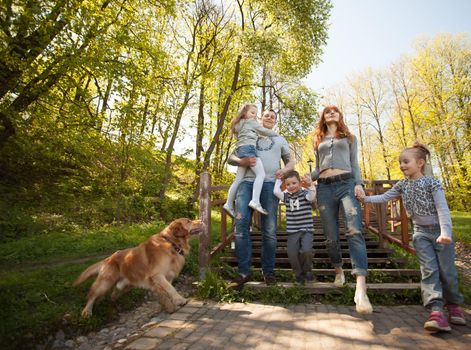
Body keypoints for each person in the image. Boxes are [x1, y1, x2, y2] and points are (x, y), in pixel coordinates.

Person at [360, 142, 466, 332]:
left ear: (420, 163)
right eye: (400, 162)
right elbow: (384, 197)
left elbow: (442, 209)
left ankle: (454, 306)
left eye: (406, 161)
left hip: (440, 232)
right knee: (429, 271)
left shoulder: (432, 183)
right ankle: (436, 311)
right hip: (420, 233)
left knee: (447, 272)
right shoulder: (402, 185)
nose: (402, 165)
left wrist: (445, 233)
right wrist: (365, 199)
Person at [312, 105, 372, 314]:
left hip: (346, 184)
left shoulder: (350, 138)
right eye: (327, 111)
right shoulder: (318, 140)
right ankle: (339, 270)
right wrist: (305, 177)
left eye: (335, 111)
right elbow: (318, 168)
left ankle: (361, 288)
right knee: (330, 236)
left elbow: (354, 163)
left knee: (354, 230)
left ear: (340, 116)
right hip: (324, 188)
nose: (331, 113)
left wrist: (359, 183)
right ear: (323, 117)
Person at [227, 109, 295, 288]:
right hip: (246, 184)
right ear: (260, 118)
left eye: (273, 116)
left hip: (270, 185)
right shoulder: (249, 134)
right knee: (241, 226)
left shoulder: (280, 140)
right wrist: (241, 162)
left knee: (270, 230)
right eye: (266, 115)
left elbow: (290, 162)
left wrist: (286, 170)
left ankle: (268, 271)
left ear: (275, 121)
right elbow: (230, 158)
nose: (269, 118)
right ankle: (243, 272)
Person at [223, 104, 279, 217]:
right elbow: (264, 131)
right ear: (244, 113)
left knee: (238, 179)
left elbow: (250, 135)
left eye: (255, 113)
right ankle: (255, 201)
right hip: (249, 149)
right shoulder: (250, 122)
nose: (254, 116)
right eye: (252, 113)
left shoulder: (239, 124)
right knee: (261, 174)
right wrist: (275, 134)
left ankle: (228, 203)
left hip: (240, 150)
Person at [274, 170, 316, 284]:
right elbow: (276, 191)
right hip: (293, 231)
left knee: (306, 251)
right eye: (288, 184)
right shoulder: (286, 196)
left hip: (306, 229)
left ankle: (307, 270)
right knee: (292, 254)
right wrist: (278, 180)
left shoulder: (305, 193)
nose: (291, 186)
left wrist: (311, 184)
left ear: (300, 183)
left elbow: (312, 197)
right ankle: (298, 274)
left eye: (294, 183)